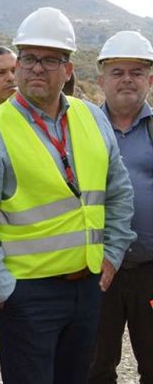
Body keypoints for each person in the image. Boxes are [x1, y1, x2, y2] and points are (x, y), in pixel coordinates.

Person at [0, 7, 137, 384]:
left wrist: (113, 254)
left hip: (87, 287)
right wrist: (3, 289)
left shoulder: (93, 118)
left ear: (68, 70)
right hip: (26, 295)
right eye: (29, 58)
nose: (37, 68)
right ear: (18, 64)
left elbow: (119, 193)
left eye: (50, 60)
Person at [89, 30, 153, 384]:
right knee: (94, 367)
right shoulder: (82, 129)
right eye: (117, 72)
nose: (127, 79)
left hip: (150, 271)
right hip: (96, 271)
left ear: (150, 80)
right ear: (101, 80)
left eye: (136, 71)